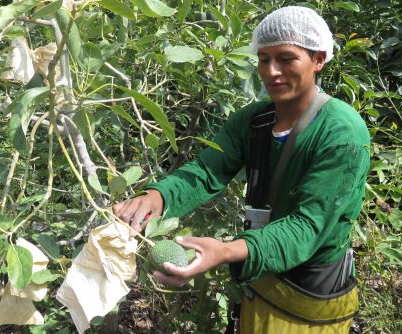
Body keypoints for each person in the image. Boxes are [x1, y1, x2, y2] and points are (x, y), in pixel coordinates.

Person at [114, 6, 370, 333]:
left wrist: (225, 251)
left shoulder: (342, 133)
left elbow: (307, 227)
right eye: (264, 59)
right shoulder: (254, 120)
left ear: (318, 59)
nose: (272, 71)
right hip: (258, 273)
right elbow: (207, 171)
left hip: (309, 290)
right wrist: (157, 197)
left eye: (287, 58)